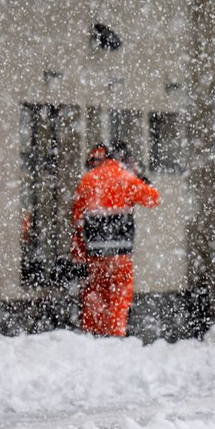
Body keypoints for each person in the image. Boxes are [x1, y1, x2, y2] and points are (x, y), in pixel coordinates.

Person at [71, 144, 160, 336]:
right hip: (121, 253)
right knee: (119, 297)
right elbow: (153, 199)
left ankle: (93, 335)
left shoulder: (87, 180)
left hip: (95, 254)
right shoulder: (126, 179)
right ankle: (115, 335)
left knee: (95, 295)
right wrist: (140, 176)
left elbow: (77, 219)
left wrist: (78, 254)